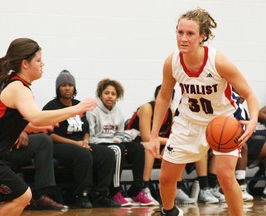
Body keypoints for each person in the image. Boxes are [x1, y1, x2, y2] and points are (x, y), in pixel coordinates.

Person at [148, 8, 259, 216]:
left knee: (226, 177)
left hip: (224, 119)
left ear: (202, 36)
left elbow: (250, 95)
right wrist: (154, 134)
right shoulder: (172, 62)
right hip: (189, 120)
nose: (183, 38)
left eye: (190, 34)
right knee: (165, 178)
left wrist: (253, 120)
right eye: (180, 32)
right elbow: (164, 97)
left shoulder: (218, 61)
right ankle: (171, 212)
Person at [0, 38, 96, 216]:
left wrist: (35, 127)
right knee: (22, 195)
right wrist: (77, 108)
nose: (43, 64)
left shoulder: (13, 83)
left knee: (20, 196)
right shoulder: (19, 88)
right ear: (25, 63)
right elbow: (36, 116)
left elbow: (9, 119)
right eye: (39, 60)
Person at [42, 70, 121, 208]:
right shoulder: (51, 107)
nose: (67, 88)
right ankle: (82, 195)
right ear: (58, 88)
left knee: (107, 154)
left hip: (80, 143)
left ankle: (100, 194)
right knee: (83, 154)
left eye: (70, 85)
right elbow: (49, 134)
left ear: (74, 88)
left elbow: (86, 129)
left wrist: (85, 141)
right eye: (63, 85)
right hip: (59, 144)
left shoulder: (79, 105)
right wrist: (76, 143)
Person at [86, 78, 154, 206]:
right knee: (118, 149)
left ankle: (137, 189)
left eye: (113, 94)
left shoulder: (118, 112)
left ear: (117, 96)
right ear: (100, 94)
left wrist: (117, 140)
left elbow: (120, 133)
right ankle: (115, 191)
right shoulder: (93, 111)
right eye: (107, 93)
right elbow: (91, 137)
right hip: (97, 143)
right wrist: (113, 142)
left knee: (138, 148)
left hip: (114, 142)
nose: (110, 96)